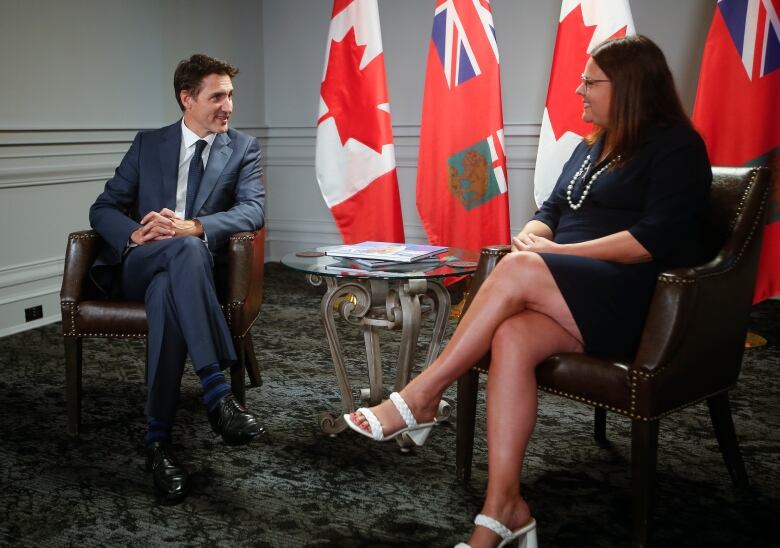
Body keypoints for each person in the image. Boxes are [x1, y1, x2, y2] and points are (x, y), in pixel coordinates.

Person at [344, 35, 712, 548]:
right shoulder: (593, 146)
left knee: (518, 270)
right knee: (513, 337)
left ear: (628, 86)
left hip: (639, 304)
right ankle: (503, 511)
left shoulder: (677, 146)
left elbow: (649, 242)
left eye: (591, 81)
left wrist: (552, 256)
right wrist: (538, 236)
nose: (579, 90)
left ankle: (421, 396)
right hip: (570, 289)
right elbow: (553, 212)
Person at [89, 54, 267, 503]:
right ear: (187, 98)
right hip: (141, 262)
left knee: (174, 278)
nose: (228, 105)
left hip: (190, 271)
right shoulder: (149, 145)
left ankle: (157, 442)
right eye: (218, 96)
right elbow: (103, 207)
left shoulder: (243, 148)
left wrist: (195, 227)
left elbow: (253, 210)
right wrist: (135, 231)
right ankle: (217, 391)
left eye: (231, 95)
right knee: (177, 254)